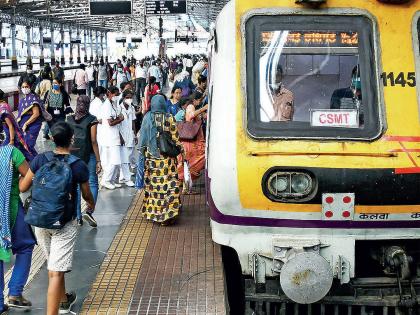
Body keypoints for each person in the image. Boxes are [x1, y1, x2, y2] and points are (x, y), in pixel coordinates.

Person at [19, 122, 94, 315]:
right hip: (64, 223)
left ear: (51, 139)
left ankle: (64, 301)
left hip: (41, 220)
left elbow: (23, 187)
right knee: (55, 272)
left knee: (54, 264)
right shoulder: (78, 165)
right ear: (72, 139)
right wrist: (91, 204)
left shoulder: (39, 160)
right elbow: (86, 194)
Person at [137, 95, 184, 225]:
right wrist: (182, 151)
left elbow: (143, 141)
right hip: (167, 161)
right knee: (169, 187)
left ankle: (155, 214)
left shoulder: (147, 118)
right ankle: (167, 216)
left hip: (152, 161)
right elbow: (175, 139)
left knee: (154, 189)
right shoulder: (169, 118)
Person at [0, 145, 36, 313]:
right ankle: (14, 293)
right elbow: (27, 180)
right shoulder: (11, 153)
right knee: (25, 246)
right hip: (10, 209)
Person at [67, 95, 101, 228]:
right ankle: (89, 210)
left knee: (75, 186)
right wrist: (98, 160)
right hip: (89, 155)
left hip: (73, 157)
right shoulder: (92, 119)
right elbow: (93, 141)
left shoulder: (69, 119)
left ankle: (77, 217)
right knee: (92, 182)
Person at [177, 102, 206, 193]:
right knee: (190, 166)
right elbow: (191, 115)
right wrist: (204, 108)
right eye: (190, 110)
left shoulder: (196, 119)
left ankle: (183, 184)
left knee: (186, 166)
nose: (192, 112)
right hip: (189, 147)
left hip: (192, 146)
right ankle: (186, 188)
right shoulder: (190, 116)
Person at [100, 86, 124, 190]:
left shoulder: (112, 104)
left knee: (116, 161)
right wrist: (120, 119)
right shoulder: (106, 106)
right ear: (110, 93)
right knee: (114, 161)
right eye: (116, 94)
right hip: (110, 137)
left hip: (115, 136)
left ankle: (112, 180)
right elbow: (110, 122)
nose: (117, 96)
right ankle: (105, 180)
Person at [0, 91, 33, 160]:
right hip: (9, 133)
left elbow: (10, 125)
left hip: (9, 135)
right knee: (21, 150)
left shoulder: (3, 110)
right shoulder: (4, 104)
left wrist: (11, 140)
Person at [16, 81, 43, 160]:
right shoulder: (22, 101)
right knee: (23, 145)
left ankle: (37, 163)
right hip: (23, 127)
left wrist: (26, 124)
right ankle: (32, 163)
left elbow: (36, 114)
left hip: (33, 126)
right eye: (23, 87)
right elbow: (20, 115)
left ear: (30, 87)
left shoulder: (33, 99)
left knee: (28, 146)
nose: (25, 88)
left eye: (26, 86)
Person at [118, 90, 136, 187]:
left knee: (128, 155)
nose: (130, 99)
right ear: (124, 98)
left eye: (131, 97)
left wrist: (135, 134)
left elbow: (133, 121)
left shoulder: (132, 108)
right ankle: (124, 177)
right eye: (128, 97)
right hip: (122, 135)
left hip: (130, 134)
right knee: (124, 157)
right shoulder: (119, 108)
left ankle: (124, 176)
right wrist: (120, 137)